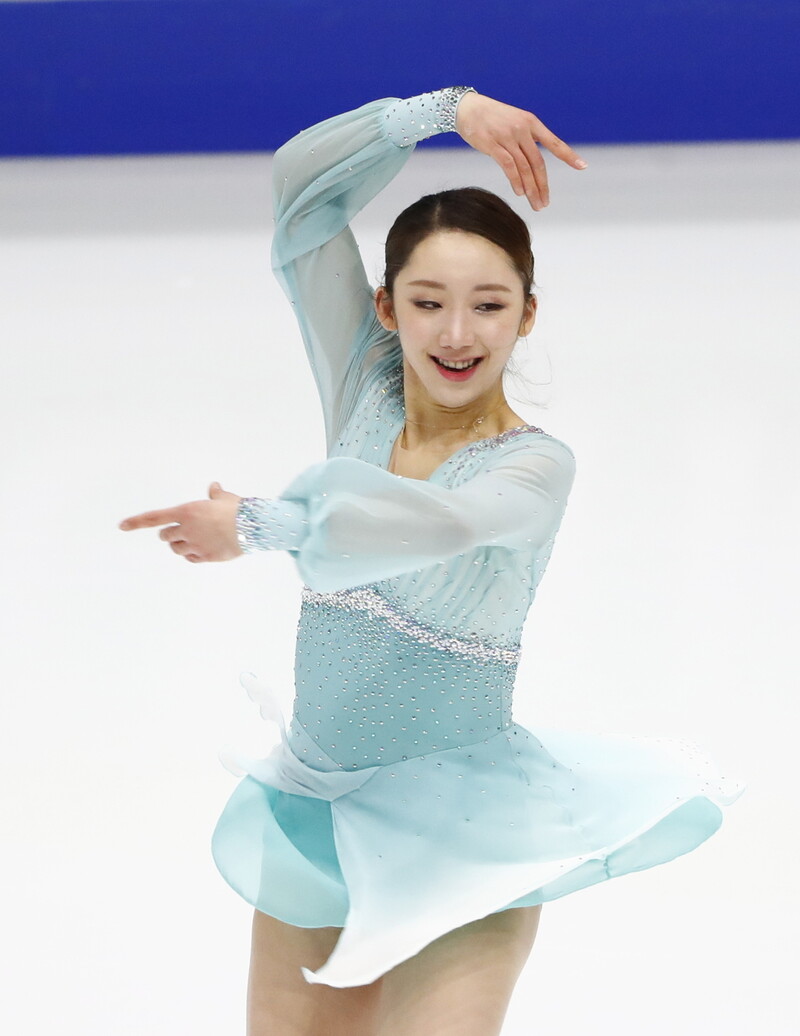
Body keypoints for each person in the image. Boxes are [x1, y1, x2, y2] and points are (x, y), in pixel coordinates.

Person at [119, 88, 743, 1036]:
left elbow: (439, 524)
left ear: (527, 316)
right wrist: (443, 111)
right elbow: (299, 195)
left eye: (489, 306)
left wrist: (261, 523)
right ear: (386, 307)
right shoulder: (362, 384)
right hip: (318, 818)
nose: (457, 334)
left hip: (467, 838)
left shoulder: (534, 467)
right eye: (428, 303)